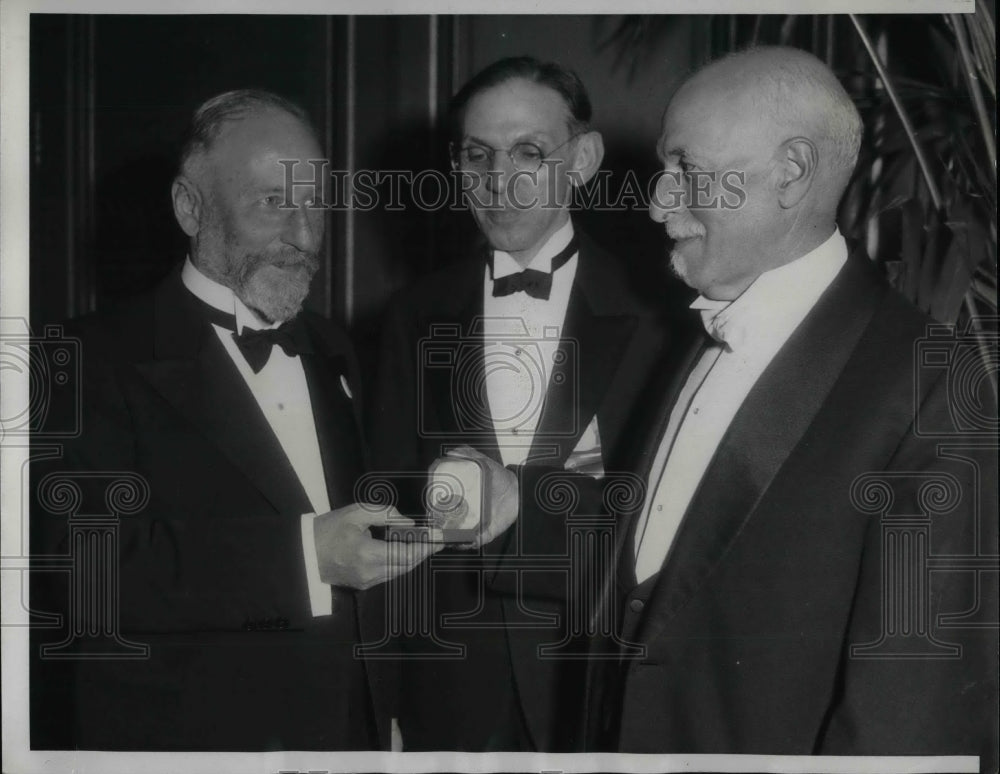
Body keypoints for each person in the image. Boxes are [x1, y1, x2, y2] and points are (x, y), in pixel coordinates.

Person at [454, 46, 998, 766]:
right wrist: (516, 504)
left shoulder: (934, 383)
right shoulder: (694, 333)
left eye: (687, 171)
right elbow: (666, 558)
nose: (657, 203)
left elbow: (914, 713)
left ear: (791, 173)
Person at [30, 90, 437, 751]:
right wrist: (309, 557)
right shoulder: (80, 359)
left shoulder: (336, 349)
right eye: (274, 202)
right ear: (190, 207)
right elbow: (86, 574)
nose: (305, 236)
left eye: (315, 204)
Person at [370, 57, 670, 751]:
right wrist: (380, 703)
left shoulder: (664, 315)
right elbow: (387, 513)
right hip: (449, 697)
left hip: (598, 680)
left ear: (584, 159)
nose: (498, 181)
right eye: (478, 155)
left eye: (528, 152)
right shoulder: (413, 316)